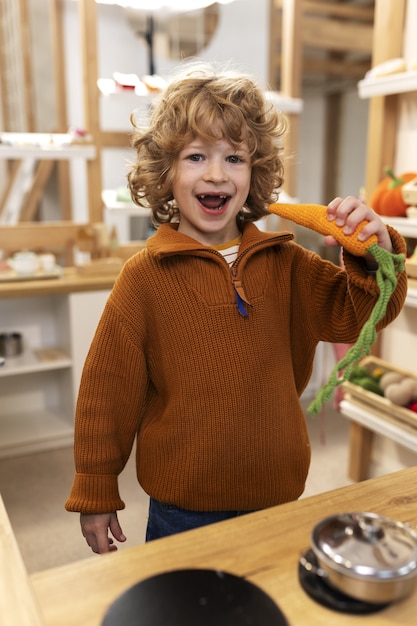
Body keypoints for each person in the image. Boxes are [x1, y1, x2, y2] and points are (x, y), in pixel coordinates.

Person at [65, 63, 407, 554]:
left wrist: (376, 251)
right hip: (181, 509)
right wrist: (95, 484)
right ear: (165, 172)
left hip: (279, 497)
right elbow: (106, 392)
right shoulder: (143, 278)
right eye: (196, 156)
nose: (215, 173)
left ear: (255, 173)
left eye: (234, 158)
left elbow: (357, 317)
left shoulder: (287, 261)